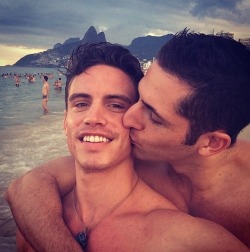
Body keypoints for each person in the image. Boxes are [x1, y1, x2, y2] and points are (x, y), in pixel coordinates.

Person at [6, 30, 250, 250]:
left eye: (153, 115)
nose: (129, 117)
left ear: (211, 143)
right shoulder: (139, 156)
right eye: (138, 98)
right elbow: (27, 186)